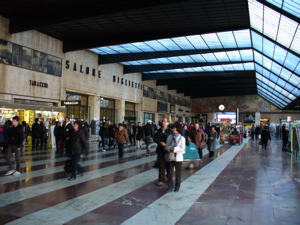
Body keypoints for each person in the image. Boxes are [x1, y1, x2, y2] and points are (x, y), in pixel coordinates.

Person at [165, 122, 185, 193]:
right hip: (170, 157)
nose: (172, 129)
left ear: (177, 129)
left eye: (174, 128)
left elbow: (182, 149)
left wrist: (174, 149)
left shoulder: (181, 138)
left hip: (178, 158)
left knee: (177, 173)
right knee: (169, 172)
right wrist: (169, 148)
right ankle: (170, 186)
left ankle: (177, 186)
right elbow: (166, 146)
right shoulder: (169, 137)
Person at [153, 117, 172, 186]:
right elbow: (155, 138)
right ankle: (161, 180)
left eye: (165, 121)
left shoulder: (170, 131)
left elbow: (171, 139)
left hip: (168, 150)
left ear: (168, 123)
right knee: (161, 165)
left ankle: (169, 178)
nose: (163, 122)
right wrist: (160, 142)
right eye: (162, 121)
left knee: (169, 165)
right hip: (160, 150)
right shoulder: (159, 130)